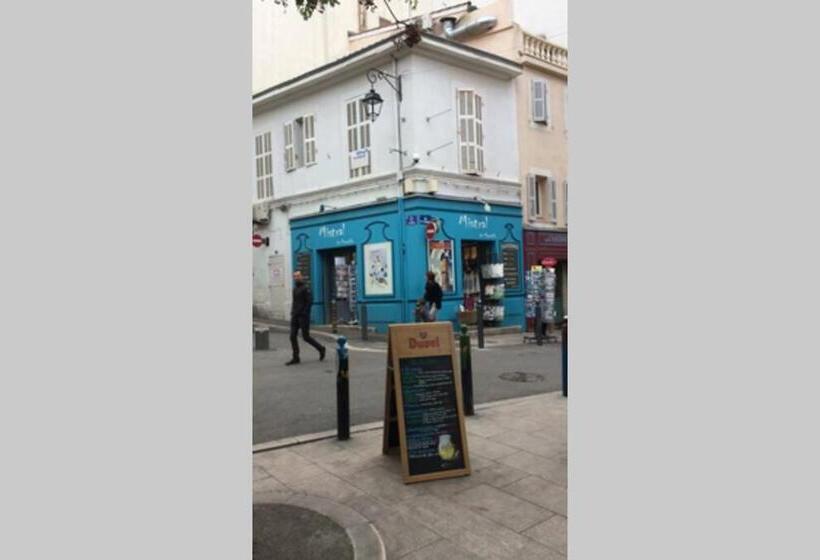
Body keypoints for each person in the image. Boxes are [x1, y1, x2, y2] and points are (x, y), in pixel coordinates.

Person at [286, 271, 326, 365]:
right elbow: (295, 302)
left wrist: (304, 313)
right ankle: (296, 357)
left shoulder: (306, 288)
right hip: (295, 316)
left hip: (303, 316)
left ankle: (321, 348)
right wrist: (292, 312)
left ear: (301, 277)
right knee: (292, 336)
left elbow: (309, 302)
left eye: (298, 276)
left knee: (306, 337)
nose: (296, 278)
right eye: (295, 276)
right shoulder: (295, 289)